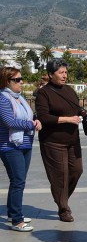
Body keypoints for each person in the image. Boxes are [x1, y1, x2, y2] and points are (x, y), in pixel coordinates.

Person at [35, 58, 87, 222]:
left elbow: (76, 108)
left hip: (73, 140)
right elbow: (44, 117)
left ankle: (61, 197)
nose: (65, 75)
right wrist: (68, 119)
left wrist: (85, 112)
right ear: (51, 74)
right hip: (53, 141)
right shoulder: (43, 93)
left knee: (77, 170)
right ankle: (63, 208)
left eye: (66, 72)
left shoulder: (69, 90)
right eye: (61, 72)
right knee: (60, 176)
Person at [0, 67, 42, 232]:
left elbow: (29, 116)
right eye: (17, 80)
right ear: (6, 82)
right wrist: (31, 124)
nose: (21, 82)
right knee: (18, 182)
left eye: (21, 78)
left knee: (17, 181)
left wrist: (36, 120)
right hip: (10, 146)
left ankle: (12, 213)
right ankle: (17, 220)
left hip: (25, 144)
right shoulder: (3, 99)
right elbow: (9, 122)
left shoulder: (19, 98)